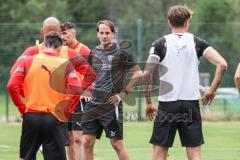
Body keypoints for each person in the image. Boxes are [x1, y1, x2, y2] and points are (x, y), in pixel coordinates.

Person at [143, 5, 227, 160]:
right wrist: (212, 90)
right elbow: (222, 64)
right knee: (194, 154)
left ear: (169, 22)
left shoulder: (160, 43)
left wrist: (148, 102)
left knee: (159, 153)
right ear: (187, 22)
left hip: (167, 104)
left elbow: (147, 73)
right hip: (191, 104)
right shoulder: (197, 42)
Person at [7, 32, 95, 160]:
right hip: (54, 118)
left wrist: (22, 108)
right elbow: (76, 89)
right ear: (60, 48)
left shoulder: (27, 61)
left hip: (31, 116)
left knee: (24, 157)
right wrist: (68, 110)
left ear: (44, 45)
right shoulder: (65, 64)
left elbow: (11, 85)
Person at [81, 20, 142, 160]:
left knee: (116, 144)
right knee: (86, 142)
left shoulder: (121, 53)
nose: (104, 36)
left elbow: (138, 73)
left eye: (107, 33)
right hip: (93, 104)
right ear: (97, 34)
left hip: (110, 104)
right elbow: (89, 75)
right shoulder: (93, 52)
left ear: (113, 34)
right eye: (101, 33)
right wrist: (85, 90)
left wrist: (123, 94)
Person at [60, 22, 92, 160]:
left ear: (74, 33)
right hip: (64, 99)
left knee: (78, 137)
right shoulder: (60, 50)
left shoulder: (84, 50)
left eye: (65, 33)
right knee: (68, 139)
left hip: (80, 100)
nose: (62, 36)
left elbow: (93, 73)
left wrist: (87, 90)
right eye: (60, 33)